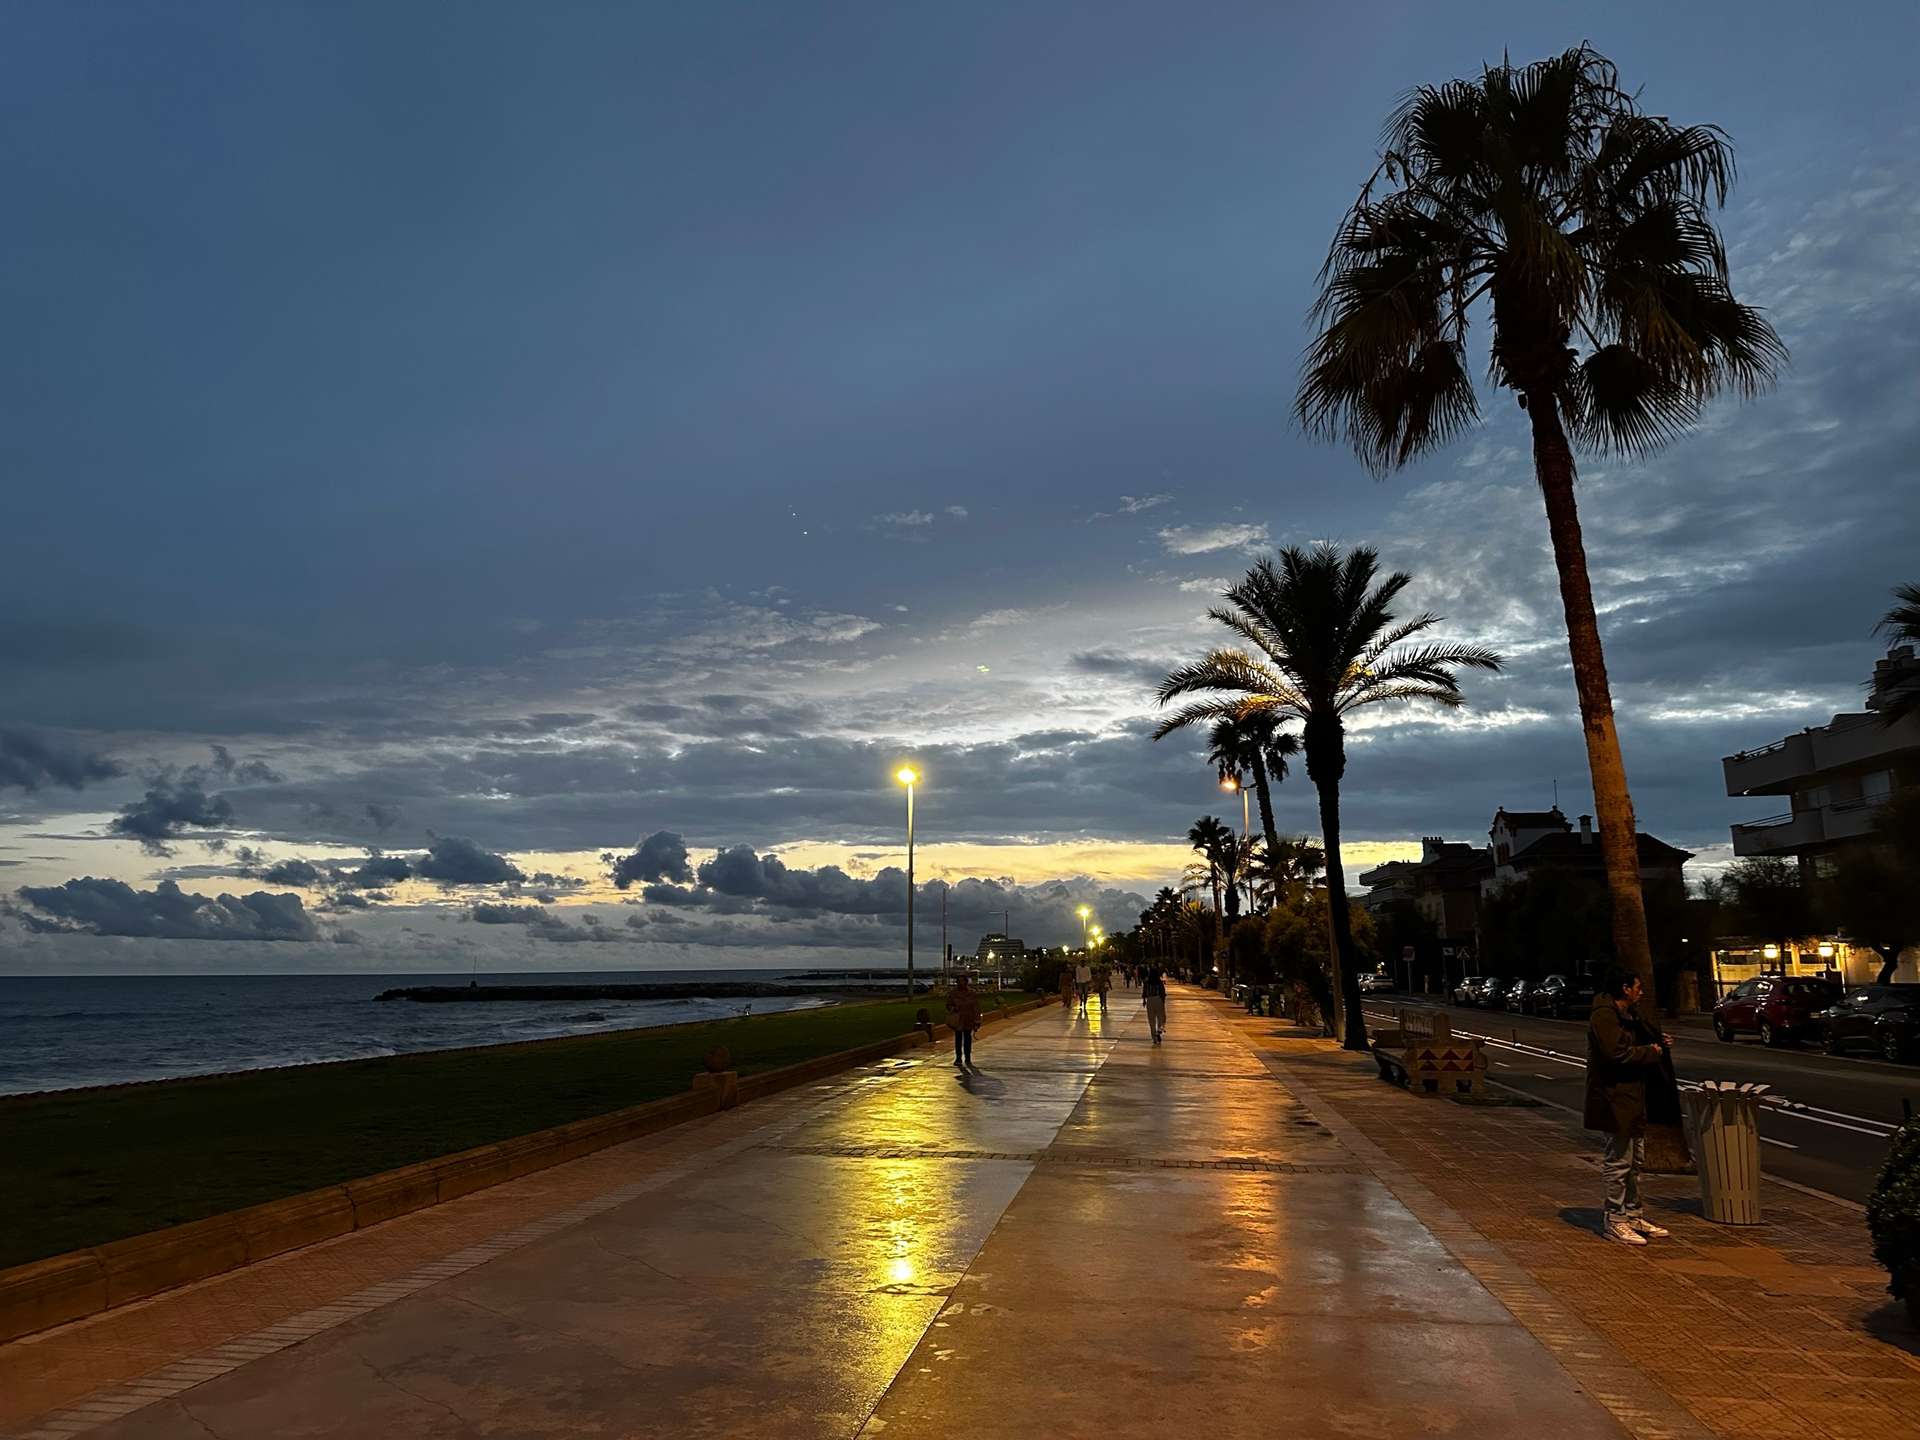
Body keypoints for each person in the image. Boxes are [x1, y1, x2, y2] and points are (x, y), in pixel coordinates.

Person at [1584, 967, 1675, 1246]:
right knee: (1619, 1161)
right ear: (1624, 988)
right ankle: (1615, 1219)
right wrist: (1652, 1052)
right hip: (1614, 1097)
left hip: (1633, 1096)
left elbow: (1632, 1044)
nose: (1641, 991)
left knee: (1635, 1160)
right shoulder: (1605, 1016)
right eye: (1637, 986)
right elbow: (1616, 1054)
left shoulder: (1629, 1016)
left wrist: (1657, 1043)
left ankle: (1633, 1214)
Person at [946, 974, 982, 1068]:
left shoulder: (971, 993)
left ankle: (968, 1057)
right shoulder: (953, 993)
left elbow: (976, 1008)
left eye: (962, 981)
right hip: (958, 1019)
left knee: (967, 1038)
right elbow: (948, 1005)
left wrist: (977, 1021)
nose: (961, 983)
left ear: (966, 982)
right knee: (958, 1039)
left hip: (969, 1019)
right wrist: (952, 1009)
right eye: (959, 981)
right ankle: (958, 1058)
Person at [1142, 966, 1167, 1045]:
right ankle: (1159, 1031)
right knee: (1161, 1018)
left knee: (1151, 1020)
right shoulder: (1159, 982)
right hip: (1158, 999)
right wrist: (1163, 1002)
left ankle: (1154, 1037)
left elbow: (1144, 992)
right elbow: (1163, 992)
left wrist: (1144, 1001)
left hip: (1150, 1000)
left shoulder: (1147, 982)